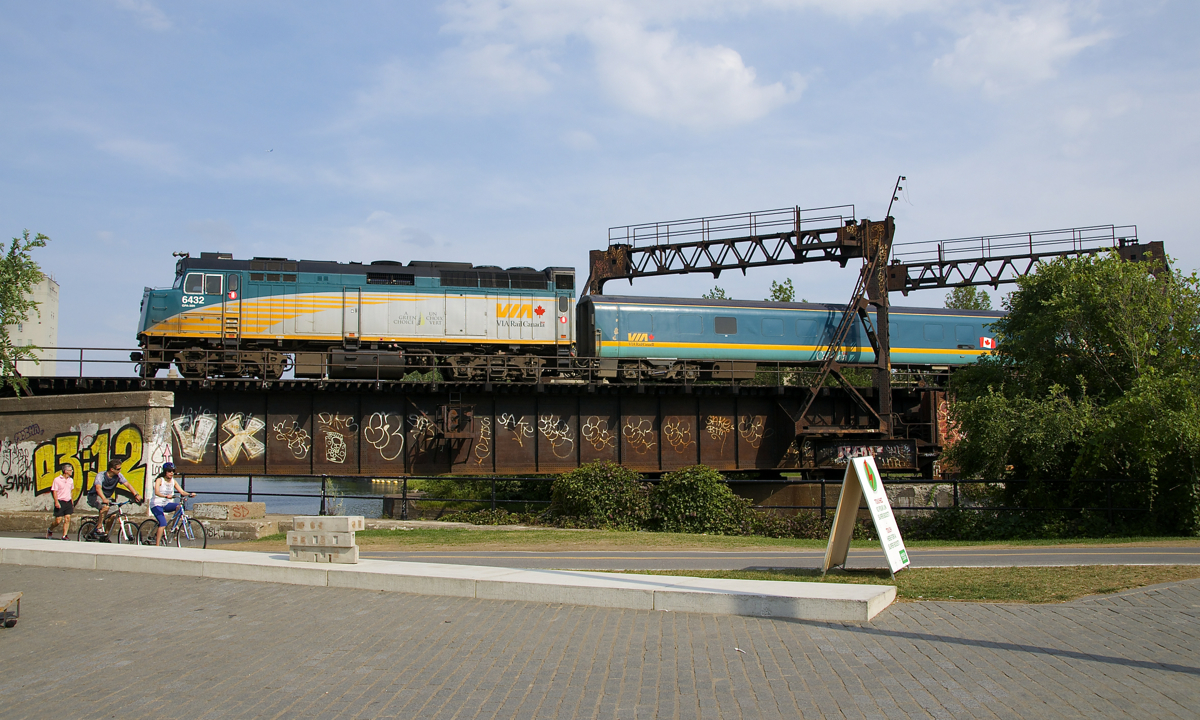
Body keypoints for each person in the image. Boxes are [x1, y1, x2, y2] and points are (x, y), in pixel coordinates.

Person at [87, 458, 143, 538]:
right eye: (118, 469)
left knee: (113, 515)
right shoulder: (101, 475)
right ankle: (98, 528)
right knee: (105, 507)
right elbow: (98, 488)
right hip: (94, 496)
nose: (120, 470)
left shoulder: (118, 476)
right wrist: (103, 498)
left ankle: (105, 535)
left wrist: (136, 494)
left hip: (107, 498)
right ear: (112, 469)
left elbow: (127, 484)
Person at [149, 463, 195, 545]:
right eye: (169, 471)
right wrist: (166, 496)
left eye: (173, 471)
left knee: (179, 507)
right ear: (165, 472)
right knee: (163, 523)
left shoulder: (173, 481)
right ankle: (157, 545)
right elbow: (156, 492)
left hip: (166, 504)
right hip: (156, 504)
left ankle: (173, 528)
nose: (171, 473)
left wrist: (189, 494)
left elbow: (182, 492)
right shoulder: (160, 480)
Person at [47, 464, 76, 540]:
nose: (72, 471)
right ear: (65, 471)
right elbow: (54, 491)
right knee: (58, 521)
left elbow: (71, 491)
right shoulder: (57, 480)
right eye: (70, 470)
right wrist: (56, 502)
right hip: (60, 501)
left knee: (67, 518)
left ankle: (64, 535)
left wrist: (72, 501)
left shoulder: (71, 480)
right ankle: (50, 529)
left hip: (68, 501)